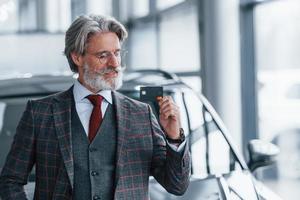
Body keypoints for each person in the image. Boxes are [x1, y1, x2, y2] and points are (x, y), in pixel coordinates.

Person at [0, 14, 190, 199]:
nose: (115, 64)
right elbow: (10, 180)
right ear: (77, 58)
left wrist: (174, 138)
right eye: (103, 55)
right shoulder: (40, 113)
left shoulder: (142, 114)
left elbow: (177, 186)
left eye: (117, 53)